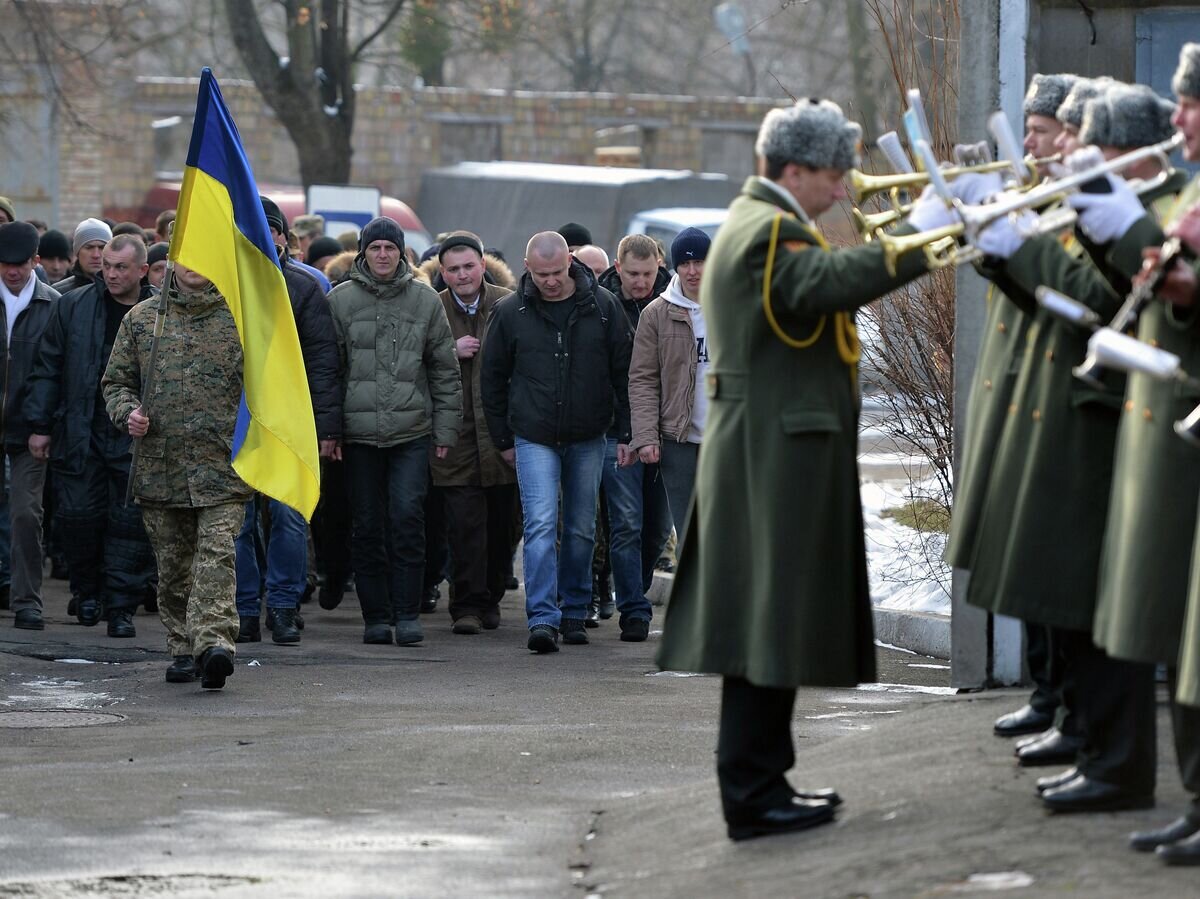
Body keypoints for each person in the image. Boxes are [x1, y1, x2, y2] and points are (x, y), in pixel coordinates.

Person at [655, 98, 945, 841]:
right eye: (834, 171)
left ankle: (764, 779)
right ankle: (752, 793)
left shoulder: (761, 222)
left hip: (769, 448)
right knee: (764, 625)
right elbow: (832, 284)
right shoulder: (771, 231)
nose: (845, 187)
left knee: (766, 624)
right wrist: (929, 225)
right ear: (793, 169)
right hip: (772, 454)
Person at [961, 82, 1183, 820]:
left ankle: (1116, 761)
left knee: (1110, 615)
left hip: (1119, 422)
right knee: (1081, 605)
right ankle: (1097, 747)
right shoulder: (1120, 203)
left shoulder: (1163, 207)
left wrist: (1031, 246)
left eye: (1095, 146)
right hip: (1091, 414)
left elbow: (1100, 301)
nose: (1069, 153)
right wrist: (1002, 253)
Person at [1063, 42, 1200, 864]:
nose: (1181, 116)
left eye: (1191, 105)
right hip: (1166, 428)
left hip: (1177, 429)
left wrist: (1139, 238)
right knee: (1179, 638)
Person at [481, 231, 633, 653]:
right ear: (527, 267)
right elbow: (491, 378)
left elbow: (624, 371)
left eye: (557, 271)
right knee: (542, 525)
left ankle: (574, 609)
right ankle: (543, 617)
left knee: (582, 527)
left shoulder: (603, 307)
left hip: (589, 433)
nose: (550, 281)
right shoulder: (511, 312)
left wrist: (625, 431)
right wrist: (503, 438)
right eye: (542, 273)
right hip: (533, 435)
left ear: (570, 261)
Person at [102, 262, 249, 689]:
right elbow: (116, 382)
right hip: (160, 468)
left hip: (223, 466)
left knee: (217, 554)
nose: (195, 267)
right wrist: (127, 413)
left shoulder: (240, 318)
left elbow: (270, 386)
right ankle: (183, 646)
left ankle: (214, 644)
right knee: (174, 566)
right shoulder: (144, 318)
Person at [327, 216, 461, 646]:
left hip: (411, 431)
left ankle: (407, 613)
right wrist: (329, 430)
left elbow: (444, 370)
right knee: (366, 525)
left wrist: (445, 431)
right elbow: (329, 371)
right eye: (375, 248)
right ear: (363, 253)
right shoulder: (341, 301)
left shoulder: (425, 300)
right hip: (359, 434)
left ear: (401, 253)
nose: (382, 255)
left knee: (407, 518)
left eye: (390, 248)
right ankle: (376, 616)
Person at [24, 234, 159, 638]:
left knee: (130, 525)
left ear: (142, 271)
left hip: (137, 435)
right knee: (78, 518)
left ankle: (121, 607)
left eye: (121, 267)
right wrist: (40, 426)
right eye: (107, 266)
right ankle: (87, 592)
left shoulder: (160, 313)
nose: (112, 274)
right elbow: (49, 366)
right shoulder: (75, 306)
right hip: (82, 428)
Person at [234, 198, 341, 645]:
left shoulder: (303, 287)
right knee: (237, 523)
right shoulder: (223, 284)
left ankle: (282, 606)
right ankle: (243, 609)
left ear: (282, 236)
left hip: (290, 422)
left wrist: (325, 427)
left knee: (289, 517)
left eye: (270, 229)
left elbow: (322, 361)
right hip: (235, 421)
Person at [428, 232, 517, 635]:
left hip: (504, 435)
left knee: (503, 524)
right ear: (442, 273)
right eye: (453, 269)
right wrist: (449, 349)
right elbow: (408, 359)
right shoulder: (432, 308)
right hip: (456, 434)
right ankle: (465, 606)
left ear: (483, 264)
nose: (462, 275)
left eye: (469, 266)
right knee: (464, 527)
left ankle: (491, 597)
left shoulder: (509, 304)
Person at [598, 235, 674, 604]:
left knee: (658, 528)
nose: (640, 281)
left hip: (666, 429)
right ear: (618, 268)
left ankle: (635, 590)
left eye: (647, 273)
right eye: (632, 274)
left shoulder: (674, 303)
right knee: (626, 522)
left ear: (658, 267)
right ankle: (631, 605)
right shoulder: (601, 305)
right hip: (617, 431)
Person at [630, 227, 711, 541]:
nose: (692, 271)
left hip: (726, 437)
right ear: (674, 267)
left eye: (699, 262)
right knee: (688, 531)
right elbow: (643, 379)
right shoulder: (657, 314)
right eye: (685, 264)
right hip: (678, 438)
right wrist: (646, 436)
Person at [0, 222, 59, 630]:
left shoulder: (53, 304)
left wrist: (43, 425)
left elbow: (53, 370)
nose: (11, 272)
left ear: (35, 262)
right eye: (3, 265)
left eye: (18, 264)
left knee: (25, 513)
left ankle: (27, 600)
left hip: (28, 427)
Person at [53, 218, 110, 294]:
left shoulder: (121, 290)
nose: (96, 255)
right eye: (89, 248)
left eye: (102, 247)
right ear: (77, 252)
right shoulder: (59, 293)